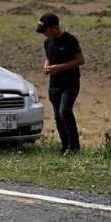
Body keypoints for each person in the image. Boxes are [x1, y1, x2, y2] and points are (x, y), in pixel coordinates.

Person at [36, 12, 85, 155]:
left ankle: (74, 146)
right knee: (58, 115)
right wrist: (47, 66)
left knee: (65, 111)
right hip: (54, 85)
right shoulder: (47, 42)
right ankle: (65, 146)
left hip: (70, 84)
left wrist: (59, 68)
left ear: (55, 27)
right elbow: (48, 58)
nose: (44, 34)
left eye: (46, 30)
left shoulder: (70, 40)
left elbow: (80, 60)